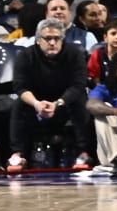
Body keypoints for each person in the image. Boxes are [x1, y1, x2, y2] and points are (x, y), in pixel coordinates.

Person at [9, 18, 93, 170]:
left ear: (63, 40)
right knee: (18, 104)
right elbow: (20, 87)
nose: (52, 42)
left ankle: (83, 153)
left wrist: (57, 104)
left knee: (81, 101)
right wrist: (36, 104)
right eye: (48, 38)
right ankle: (17, 155)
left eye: (57, 38)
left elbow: (78, 85)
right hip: (36, 103)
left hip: (64, 103)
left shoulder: (75, 54)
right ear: (38, 40)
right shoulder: (26, 55)